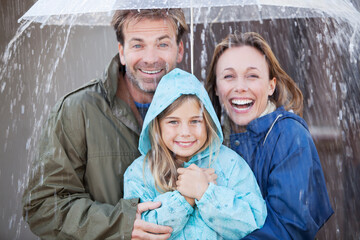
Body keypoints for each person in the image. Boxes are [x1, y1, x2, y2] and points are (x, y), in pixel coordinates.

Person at [22, 9, 188, 240]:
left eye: (162, 44)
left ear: (179, 50)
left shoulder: (199, 111)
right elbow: (42, 207)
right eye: (138, 45)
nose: (151, 58)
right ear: (122, 52)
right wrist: (120, 225)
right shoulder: (78, 110)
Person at [205, 32, 334, 239]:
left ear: (271, 86)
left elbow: (289, 229)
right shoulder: (208, 140)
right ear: (217, 88)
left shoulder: (289, 136)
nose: (240, 87)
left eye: (252, 76)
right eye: (228, 76)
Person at [123, 68, 267, 239]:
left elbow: (253, 221)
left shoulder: (230, 163)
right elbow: (142, 230)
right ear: (157, 125)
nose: (185, 132)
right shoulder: (140, 173)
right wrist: (184, 199)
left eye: (195, 121)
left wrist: (206, 193)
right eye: (173, 122)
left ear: (208, 122)